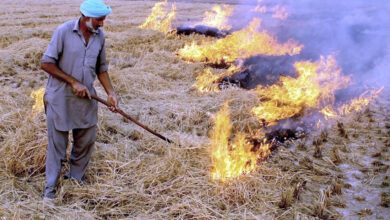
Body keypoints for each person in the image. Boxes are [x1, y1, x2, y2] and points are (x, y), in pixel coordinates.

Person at [40, 0, 117, 199]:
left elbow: (102, 69)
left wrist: (111, 93)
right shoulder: (63, 31)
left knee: (86, 141)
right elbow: (46, 63)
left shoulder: (100, 37)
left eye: (103, 20)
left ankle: (74, 180)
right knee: (57, 146)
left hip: (86, 98)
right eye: (99, 20)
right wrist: (73, 82)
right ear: (85, 17)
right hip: (60, 99)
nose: (102, 24)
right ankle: (50, 190)